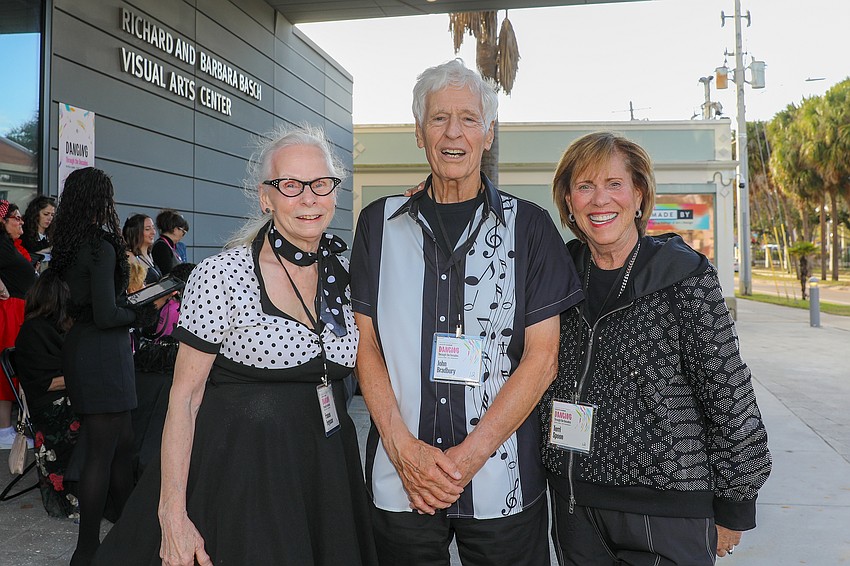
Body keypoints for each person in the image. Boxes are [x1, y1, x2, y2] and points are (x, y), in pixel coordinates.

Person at [92, 124, 378, 566]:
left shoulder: (346, 274)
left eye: (320, 184)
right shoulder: (222, 275)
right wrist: (171, 514)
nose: (308, 198)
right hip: (240, 483)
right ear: (266, 197)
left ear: (334, 193)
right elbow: (184, 399)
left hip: (325, 477)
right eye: (290, 185)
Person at [350, 58, 582, 566]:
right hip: (399, 479)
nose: (453, 132)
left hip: (502, 482)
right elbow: (366, 347)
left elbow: (542, 360)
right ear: (418, 132)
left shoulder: (533, 228)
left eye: (468, 118)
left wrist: (466, 460)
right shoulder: (377, 226)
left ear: (489, 133)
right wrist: (404, 451)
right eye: (438, 119)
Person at [539, 132, 772, 565]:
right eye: (585, 186)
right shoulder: (559, 274)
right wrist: (436, 197)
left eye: (614, 184)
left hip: (667, 510)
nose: (599, 199)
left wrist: (736, 503)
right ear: (568, 201)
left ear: (639, 194)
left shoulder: (683, 276)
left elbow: (729, 393)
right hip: (576, 507)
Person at [51, 167, 155, 565]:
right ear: (100, 199)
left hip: (88, 348)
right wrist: (142, 309)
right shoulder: (100, 246)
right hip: (101, 353)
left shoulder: (72, 242)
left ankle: (128, 528)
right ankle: (87, 550)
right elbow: (107, 313)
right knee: (101, 452)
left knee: (122, 442)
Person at [15, 269, 80, 518]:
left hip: (64, 398)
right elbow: (44, 383)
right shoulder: (34, 332)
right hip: (50, 404)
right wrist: (85, 379)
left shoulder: (56, 327)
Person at [0, 200, 37, 449]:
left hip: (19, 309)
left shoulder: (10, 245)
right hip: (10, 310)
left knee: (17, 368)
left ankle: (10, 428)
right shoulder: (1, 244)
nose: (20, 221)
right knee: (9, 370)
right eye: (15, 217)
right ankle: (4, 430)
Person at [21, 195, 57, 270]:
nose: (50, 218)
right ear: (36, 214)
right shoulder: (23, 234)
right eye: (46, 214)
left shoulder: (54, 234)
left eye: (52, 215)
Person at [123, 214, 161, 285]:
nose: (153, 232)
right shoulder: (130, 256)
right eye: (147, 229)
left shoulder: (149, 254)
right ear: (136, 232)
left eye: (153, 228)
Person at [151, 209, 188, 276]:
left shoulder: (169, 246)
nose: (182, 236)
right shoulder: (161, 247)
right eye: (183, 232)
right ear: (175, 229)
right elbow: (167, 274)